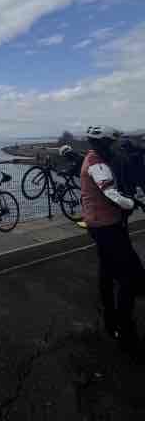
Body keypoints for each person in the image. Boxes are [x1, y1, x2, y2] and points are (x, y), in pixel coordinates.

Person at [81, 125, 145, 358]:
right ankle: (126, 334)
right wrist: (132, 203)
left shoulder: (91, 157)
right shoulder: (97, 164)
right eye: (112, 143)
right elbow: (111, 193)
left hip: (101, 225)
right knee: (126, 278)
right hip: (107, 227)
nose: (115, 147)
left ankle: (110, 320)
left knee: (108, 270)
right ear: (103, 143)